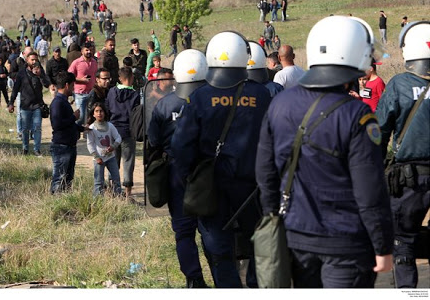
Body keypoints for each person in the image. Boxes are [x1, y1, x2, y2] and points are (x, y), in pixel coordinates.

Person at [256, 16, 394, 288]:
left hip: (295, 236)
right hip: (346, 243)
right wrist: (382, 243)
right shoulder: (358, 114)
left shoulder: (280, 103)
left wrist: (274, 219)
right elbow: (369, 189)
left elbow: (265, 173)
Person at [170, 31, 271, 288]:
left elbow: (181, 146)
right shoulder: (262, 96)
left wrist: (189, 179)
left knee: (220, 251)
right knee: (257, 246)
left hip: (212, 187)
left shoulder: (200, 97)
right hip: (254, 188)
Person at [147, 49, 210, 288]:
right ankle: (222, 276)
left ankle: (194, 281)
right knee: (211, 227)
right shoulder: (213, 101)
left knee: (184, 231)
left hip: (175, 173)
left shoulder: (164, 105)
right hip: (207, 171)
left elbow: (153, 139)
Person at [376, 21, 430, 288]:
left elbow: (379, 130)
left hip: (410, 181)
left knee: (403, 244)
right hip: (414, 178)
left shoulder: (399, 84)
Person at [106, 67, 140, 198]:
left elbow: (107, 110)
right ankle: (128, 193)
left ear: (120, 78)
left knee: (113, 161)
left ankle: (113, 191)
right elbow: (137, 115)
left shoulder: (111, 92)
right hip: (128, 131)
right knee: (128, 162)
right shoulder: (135, 94)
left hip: (113, 131)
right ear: (131, 77)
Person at [9, 52, 50, 156]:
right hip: (25, 105)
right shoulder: (21, 73)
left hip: (37, 105)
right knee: (25, 129)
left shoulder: (40, 71)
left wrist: (40, 76)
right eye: (32, 60)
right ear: (27, 60)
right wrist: (11, 103)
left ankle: (37, 149)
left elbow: (47, 84)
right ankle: (25, 148)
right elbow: (15, 89)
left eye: (36, 60)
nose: (34, 62)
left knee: (37, 128)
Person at [49, 71, 84, 193]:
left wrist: (82, 128)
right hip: (62, 146)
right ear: (67, 85)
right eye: (73, 85)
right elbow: (57, 125)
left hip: (68, 145)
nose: (74, 89)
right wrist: (74, 117)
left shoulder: (63, 102)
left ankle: (65, 204)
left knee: (68, 179)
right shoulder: (57, 103)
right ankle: (56, 205)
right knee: (59, 178)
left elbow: (68, 124)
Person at [87, 102, 122, 196]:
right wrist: (96, 157)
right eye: (96, 111)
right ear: (93, 114)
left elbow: (118, 138)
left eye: (101, 111)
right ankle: (98, 202)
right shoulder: (92, 128)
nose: (99, 113)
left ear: (105, 113)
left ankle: (119, 200)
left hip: (111, 157)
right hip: (99, 159)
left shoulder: (110, 126)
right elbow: (90, 144)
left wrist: (113, 146)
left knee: (116, 180)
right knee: (98, 182)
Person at [68, 42, 98, 126]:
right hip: (80, 94)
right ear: (82, 51)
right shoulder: (76, 62)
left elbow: (96, 75)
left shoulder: (94, 62)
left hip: (91, 92)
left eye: (90, 50)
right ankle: (73, 130)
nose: (89, 52)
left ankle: (86, 134)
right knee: (80, 117)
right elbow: (69, 76)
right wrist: (81, 80)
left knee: (90, 117)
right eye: (87, 50)